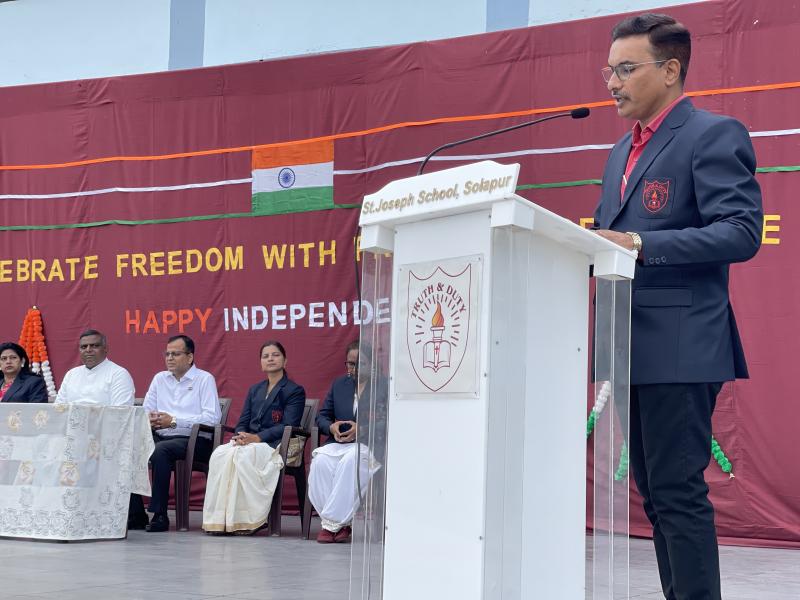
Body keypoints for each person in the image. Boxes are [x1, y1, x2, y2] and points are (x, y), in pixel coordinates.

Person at [593, 13, 762, 600]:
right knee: (656, 494)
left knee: (677, 492)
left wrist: (640, 243)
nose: (612, 83)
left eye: (625, 69)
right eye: (608, 71)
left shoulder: (712, 134)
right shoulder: (620, 152)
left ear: (670, 71)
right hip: (628, 344)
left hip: (681, 343)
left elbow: (741, 231)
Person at [202, 340, 305, 534]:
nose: (270, 359)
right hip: (250, 442)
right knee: (220, 454)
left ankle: (251, 520)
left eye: (275, 355)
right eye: (265, 356)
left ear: (285, 361)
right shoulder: (255, 389)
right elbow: (243, 421)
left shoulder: (294, 391)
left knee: (242, 456)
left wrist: (257, 437)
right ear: (261, 363)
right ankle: (223, 520)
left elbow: (288, 425)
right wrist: (241, 435)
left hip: (274, 444)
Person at [129, 335, 221, 532]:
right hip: (161, 435)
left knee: (160, 450)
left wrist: (174, 421)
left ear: (190, 357)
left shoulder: (204, 379)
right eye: (167, 354)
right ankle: (135, 514)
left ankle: (160, 515)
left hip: (195, 440)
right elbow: (146, 410)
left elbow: (212, 418)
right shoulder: (160, 379)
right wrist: (150, 419)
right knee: (128, 448)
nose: (170, 358)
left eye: (176, 354)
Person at [308, 341, 378, 544]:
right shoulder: (339, 384)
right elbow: (322, 416)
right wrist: (331, 427)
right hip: (338, 444)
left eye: (360, 363)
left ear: (372, 363)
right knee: (320, 462)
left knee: (351, 461)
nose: (354, 368)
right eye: (350, 364)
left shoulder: (383, 386)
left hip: (369, 445)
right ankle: (340, 524)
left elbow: (390, 420)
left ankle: (330, 526)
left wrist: (362, 428)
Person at [55, 330, 135, 406]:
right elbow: (58, 408)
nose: (88, 350)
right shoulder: (71, 374)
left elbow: (121, 411)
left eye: (94, 346)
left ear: (105, 348)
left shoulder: (119, 374)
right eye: (84, 347)